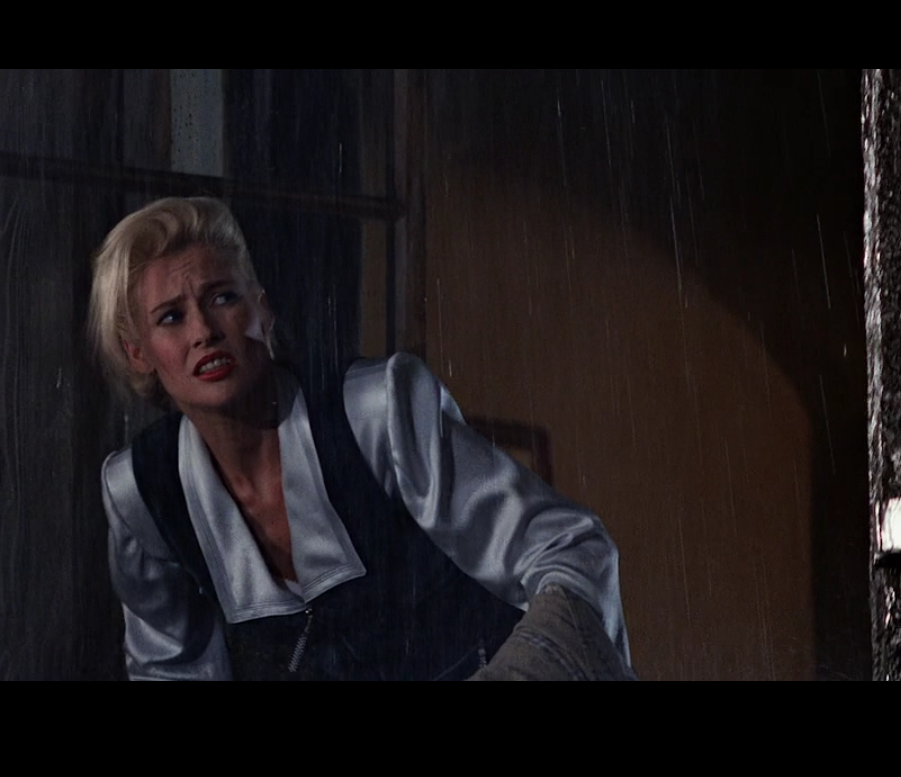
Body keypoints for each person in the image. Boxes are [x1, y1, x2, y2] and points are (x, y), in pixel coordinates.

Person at [89, 197, 634, 680]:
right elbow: (170, 668)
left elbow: (571, 549)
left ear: (262, 309)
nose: (204, 331)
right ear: (137, 353)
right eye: (171, 317)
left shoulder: (376, 411)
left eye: (223, 297)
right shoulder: (143, 491)